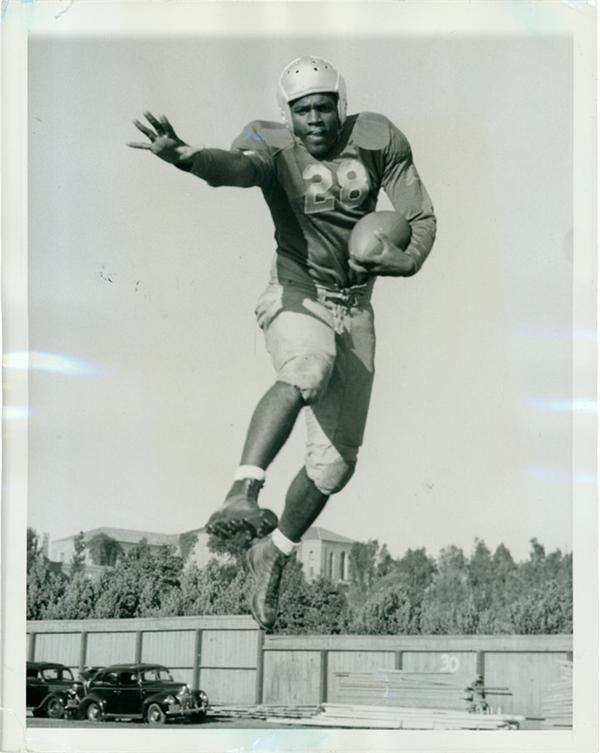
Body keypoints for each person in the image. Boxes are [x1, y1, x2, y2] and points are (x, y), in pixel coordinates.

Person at [128, 56, 436, 631]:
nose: (315, 118)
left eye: (323, 106)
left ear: (340, 104)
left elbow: (419, 215)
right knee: (308, 366)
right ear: (286, 113)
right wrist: (189, 158)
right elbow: (235, 168)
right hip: (299, 291)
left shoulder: (377, 136)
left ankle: (274, 551)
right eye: (302, 109)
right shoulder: (271, 145)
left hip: (358, 307)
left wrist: (407, 260)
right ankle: (242, 490)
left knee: (335, 465)